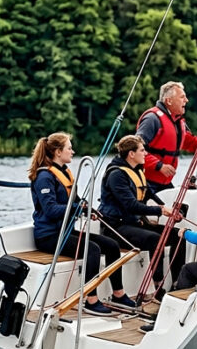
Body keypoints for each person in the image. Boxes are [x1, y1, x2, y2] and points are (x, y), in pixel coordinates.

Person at [28, 133, 136, 314]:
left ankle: (118, 294)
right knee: (92, 249)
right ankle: (91, 300)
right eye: (69, 148)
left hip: (66, 232)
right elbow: (51, 210)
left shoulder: (65, 173)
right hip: (49, 236)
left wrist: (88, 210)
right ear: (58, 152)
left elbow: (75, 200)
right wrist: (77, 208)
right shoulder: (44, 177)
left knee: (111, 245)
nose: (73, 151)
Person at [97, 135, 185, 299]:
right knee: (155, 239)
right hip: (115, 228)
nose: (146, 154)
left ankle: (178, 283)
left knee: (178, 235)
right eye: (142, 150)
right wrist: (160, 210)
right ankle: (158, 287)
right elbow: (131, 206)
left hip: (135, 223)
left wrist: (169, 209)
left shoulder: (137, 170)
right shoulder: (116, 175)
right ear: (131, 154)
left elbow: (148, 192)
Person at [137, 81, 197, 193]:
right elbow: (135, 148)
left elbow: (193, 144)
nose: (186, 100)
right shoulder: (152, 119)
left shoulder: (178, 122)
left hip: (164, 183)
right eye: (182, 97)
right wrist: (159, 166)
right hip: (145, 182)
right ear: (169, 101)